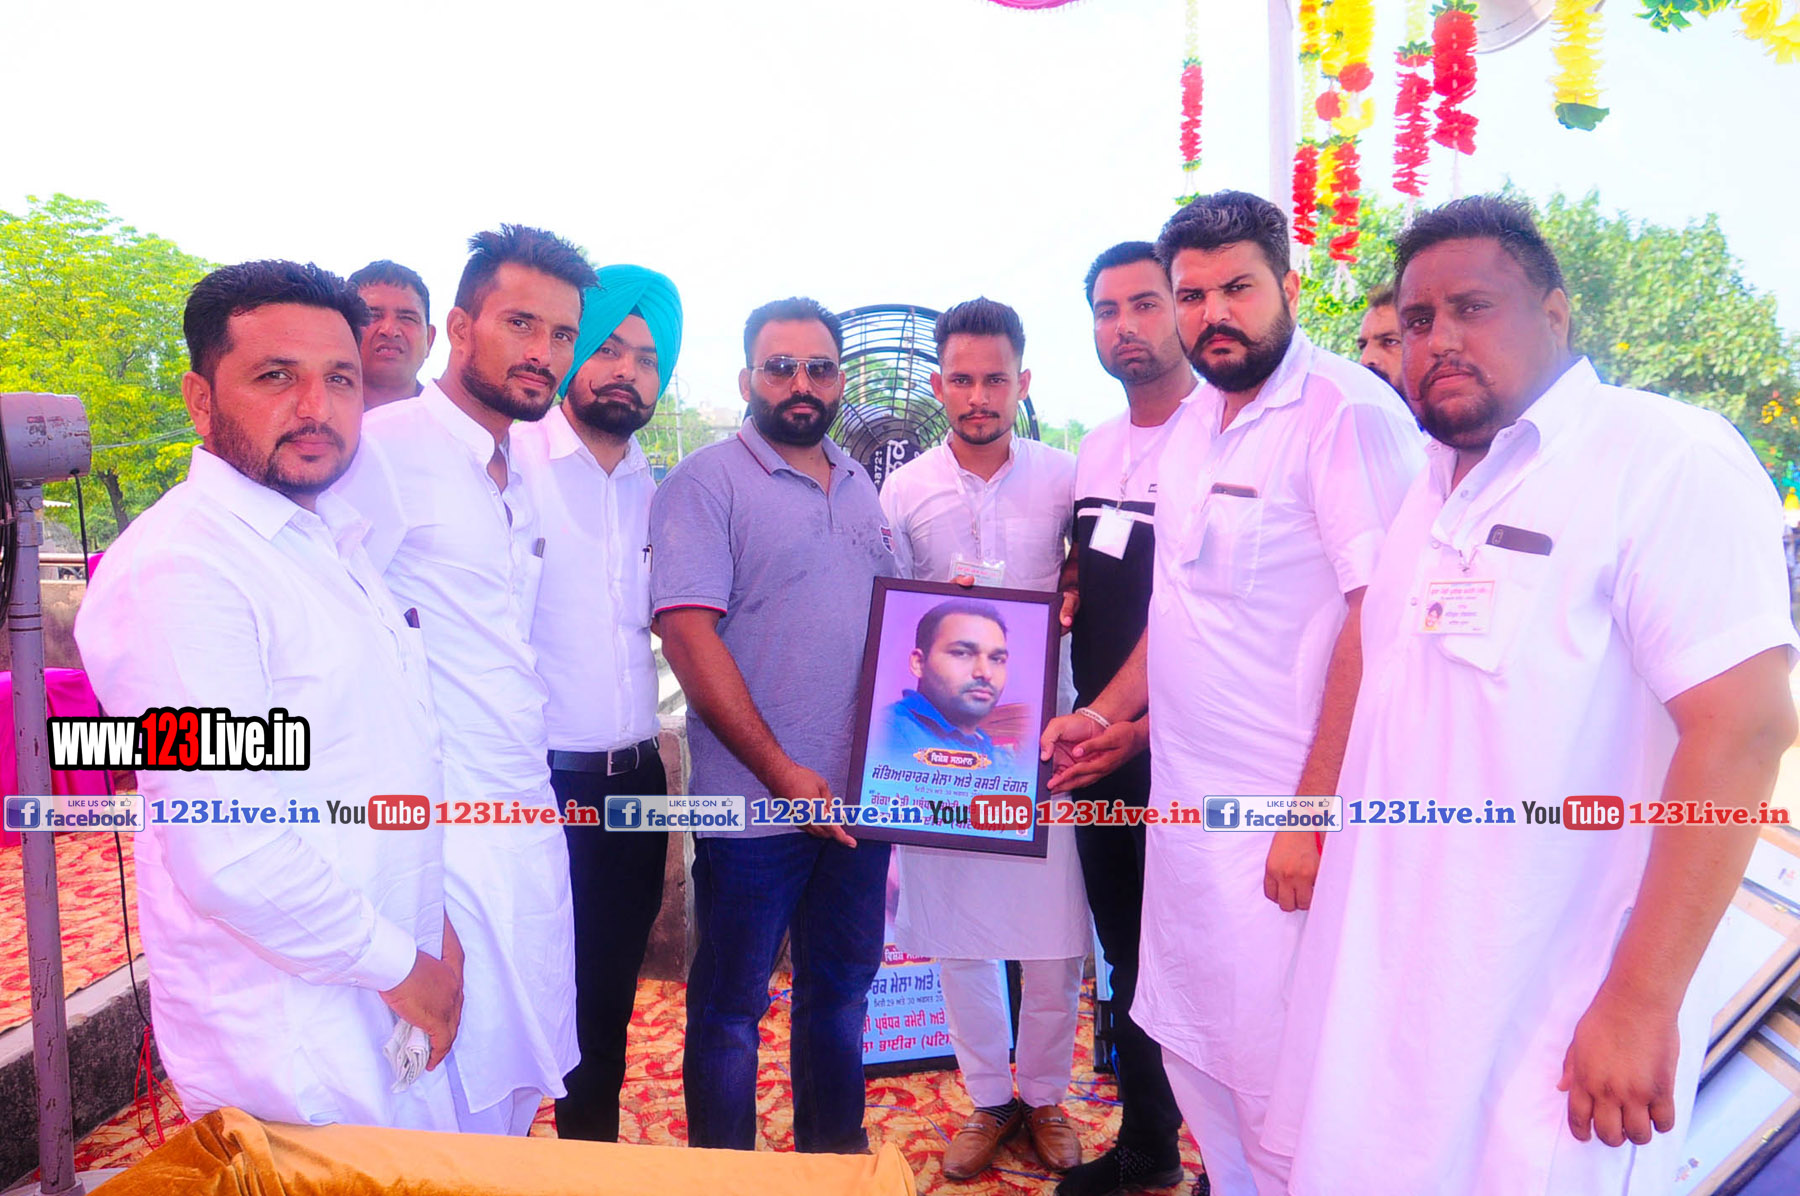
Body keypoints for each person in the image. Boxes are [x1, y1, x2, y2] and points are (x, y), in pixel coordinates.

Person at [1263, 196, 1800, 1196]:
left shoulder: (1663, 457)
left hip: (1548, 1011)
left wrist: (1641, 998)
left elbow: (1745, 729)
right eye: (1417, 320)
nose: (1438, 339)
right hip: (1392, 987)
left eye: (1473, 307)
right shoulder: (1434, 483)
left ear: (1556, 314)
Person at [1040, 191, 1422, 1196]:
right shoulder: (1194, 427)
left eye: (1238, 288)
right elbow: (1181, 605)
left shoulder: (1344, 414)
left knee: (1289, 1075)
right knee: (1201, 1048)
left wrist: (1312, 812)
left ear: (1289, 287)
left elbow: (1377, 620)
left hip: (1283, 820)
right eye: (1194, 294)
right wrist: (1111, 716)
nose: (1214, 313)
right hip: (1186, 809)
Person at [74, 260, 460, 1130]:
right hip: (288, 1034)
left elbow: (373, 762)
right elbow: (228, 848)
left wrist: (426, 927)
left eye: (341, 379)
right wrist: (404, 967)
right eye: (276, 376)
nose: (316, 408)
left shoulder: (325, 540)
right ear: (200, 399)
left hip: (378, 977)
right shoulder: (179, 573)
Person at [332, 224, 597, 1136]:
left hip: (523, 808)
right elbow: (333, 642)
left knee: (519, 1074)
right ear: (459, 326)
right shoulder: (381, 449)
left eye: (562, 334)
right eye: (520, 323)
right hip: (439, 831)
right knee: (444, 1086)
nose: (543, 352)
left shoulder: (516, 463)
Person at [650, 296, 897, 1153]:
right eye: (781, 366)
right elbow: (687, 636)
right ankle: (728, 1176)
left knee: (841, 992)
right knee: (730, 1009)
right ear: (746, 378)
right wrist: (782, 771)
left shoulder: (860, 483)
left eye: (819, 368)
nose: (801, 383)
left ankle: (833, 1160)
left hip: (861, 801)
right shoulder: (704, 483)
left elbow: (887, 623)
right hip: (753, 807)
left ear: (840, 380)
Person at [880, 298, 1087, 1181]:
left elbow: (1091, 574)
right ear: (938, 385)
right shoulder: (903, 489)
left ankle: (1043, 1097)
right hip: (943, 750)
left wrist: (1074, 586)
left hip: (1044, 741)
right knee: (961, 933)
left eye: (994, 378)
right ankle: (989, 1099)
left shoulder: (1065, 478)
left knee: (1055, 937)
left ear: (1022, 381)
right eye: (961, 379)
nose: (977, 396)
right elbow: (890, 615)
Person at [514, 264, 683, 1142]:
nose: (627, 371)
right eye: (609, 347)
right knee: (512, 995)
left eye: (648, 359)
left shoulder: (662, 491)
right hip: (534, 784)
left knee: (608, 991)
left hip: (636, 783)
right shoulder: (513, 466)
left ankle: (591, 1154)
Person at [1056, 241, 1195, 1196]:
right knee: (1129, 951)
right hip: (1097, 748)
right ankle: (1149, 1143)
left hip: (1183, 747)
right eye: (1107, 311)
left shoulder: (1221, 440)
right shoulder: (1097, 447)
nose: (1126, 327)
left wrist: (1141, 728)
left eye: (1145, 304)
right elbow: (1091, 573)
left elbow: (1208, 617)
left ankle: (1236, 1161)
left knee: (1207, 958)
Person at [881, 597, 1014, 760]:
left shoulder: (986, 744)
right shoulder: (888, 733)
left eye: (996, 659)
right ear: (919, 663)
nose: (985, 673)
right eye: (961, 653)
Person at [349, 259, 436, 407]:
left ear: (429, 339)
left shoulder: (453, 418)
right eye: (372, 316)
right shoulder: (318, 411)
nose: (389, 331)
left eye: (407, 318)